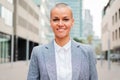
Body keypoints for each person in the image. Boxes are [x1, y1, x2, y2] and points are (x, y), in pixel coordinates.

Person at [27, 3, 98, 80]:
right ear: (51, 23)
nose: (60, 24)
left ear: (72, 22)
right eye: (56, 19)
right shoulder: (38, 52)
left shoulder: (87, 52)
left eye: (65, 19)